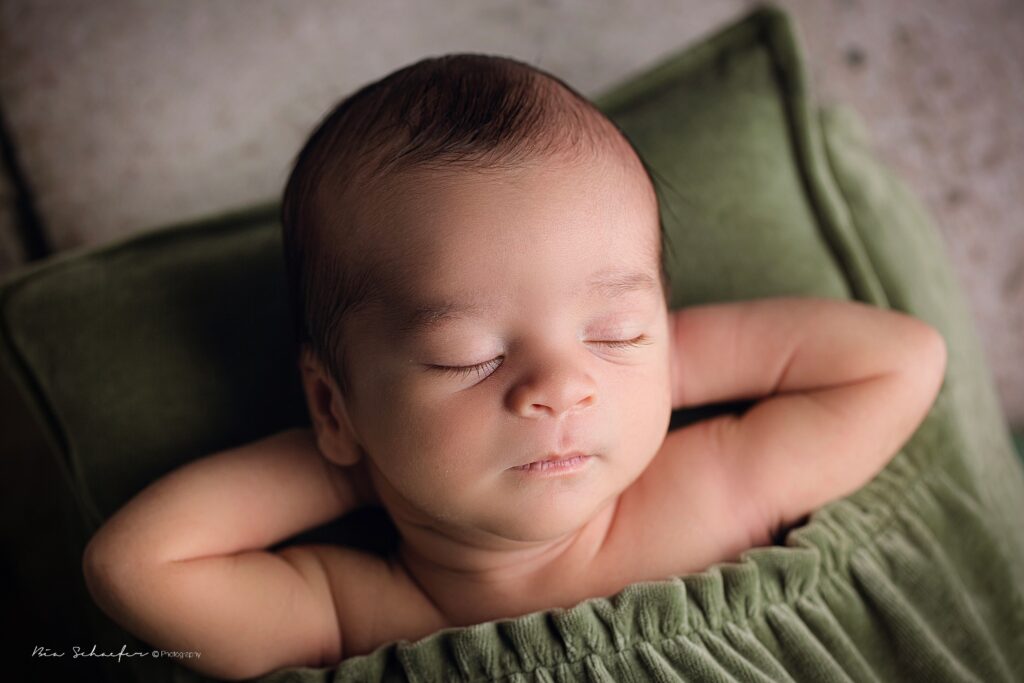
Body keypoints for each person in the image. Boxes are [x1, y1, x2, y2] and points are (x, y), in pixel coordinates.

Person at [81, 53, 947, 681]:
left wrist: (661, 369)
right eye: (470, 354)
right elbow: (135, 567)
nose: (561, 386)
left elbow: (902, 361)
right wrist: (356, 463)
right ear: (331, 402)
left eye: (612, 330)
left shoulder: (714, 487)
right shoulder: (363, 616)